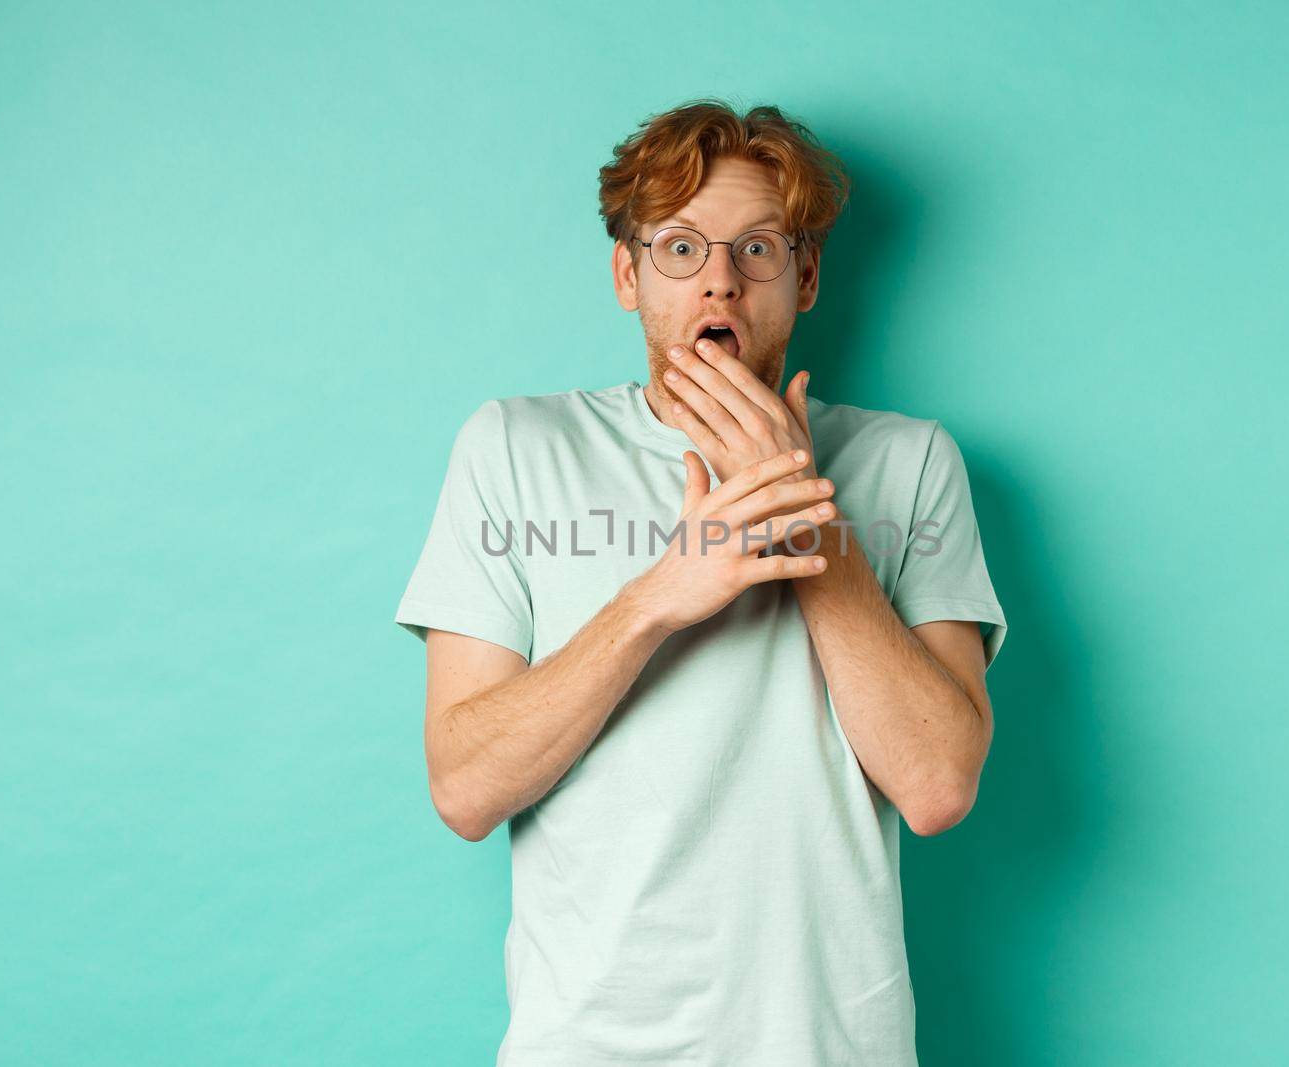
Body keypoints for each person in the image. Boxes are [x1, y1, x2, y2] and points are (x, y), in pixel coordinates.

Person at [394, 98, 1008, 1066]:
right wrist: (657, 596)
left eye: (756, 249)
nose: (718, 283)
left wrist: (805, 513)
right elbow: (467, 787)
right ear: (626, 273)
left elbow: (936, 784)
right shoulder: (516, 445)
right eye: (679, 248)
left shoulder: (909, 461)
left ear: (805, 277)